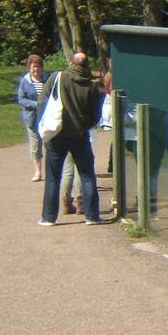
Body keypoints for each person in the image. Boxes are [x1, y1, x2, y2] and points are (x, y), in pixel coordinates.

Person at [35, 51, 105, 226]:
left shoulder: (57, 77)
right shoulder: (91, 86)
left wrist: (42, 124)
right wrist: (83, 125)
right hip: (80, 135)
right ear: (86, 65)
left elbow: (42, 101)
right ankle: (92, 216)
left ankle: (48, 217)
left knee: (53, 177)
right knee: (87, 176)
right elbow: (96, 116)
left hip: (56, 134)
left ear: (71, 63)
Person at [15, 53, 46, 181]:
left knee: (51, 145)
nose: (36, 69)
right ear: (29, 67)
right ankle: (38, 172)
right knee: (35, 145)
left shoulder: (47, 79)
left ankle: (52, 171)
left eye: (38, 67)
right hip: (32, 118)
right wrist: (35, 104)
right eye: (33, 67)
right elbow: (21, 99)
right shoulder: (25, 82)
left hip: (47, 118)